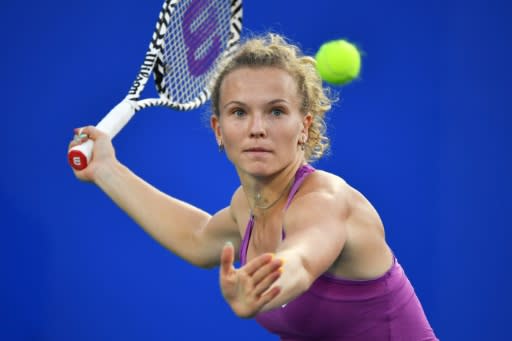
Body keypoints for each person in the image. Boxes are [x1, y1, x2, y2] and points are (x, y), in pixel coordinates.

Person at [69, 33, 438, 340]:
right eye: (239, 112)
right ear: (219, 130)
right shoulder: (245, 206)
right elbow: (199, 237)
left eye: (276, 111)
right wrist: (106, 169)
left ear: (304, 127)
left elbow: (301, 260)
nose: (256, 127)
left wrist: (267, 282)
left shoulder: (325, 200)